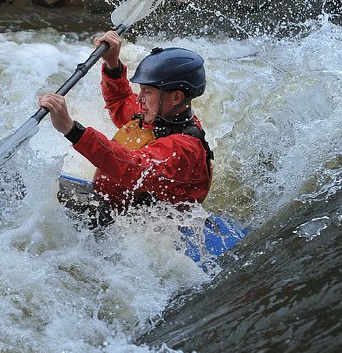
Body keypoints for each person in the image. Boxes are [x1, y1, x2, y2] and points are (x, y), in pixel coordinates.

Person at [38, 30, 213, 223]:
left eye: (147, 91)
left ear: (176, 97)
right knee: (36, 191)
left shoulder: (184, 149)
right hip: (115, 209)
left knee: (40, 208)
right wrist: (113, 64)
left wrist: (71, 129)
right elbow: (121, 100)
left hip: (147, 231)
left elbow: (132, 167)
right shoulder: (158, 115)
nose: (140, 98)